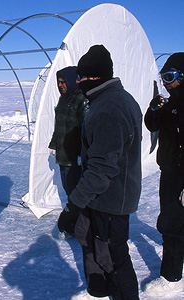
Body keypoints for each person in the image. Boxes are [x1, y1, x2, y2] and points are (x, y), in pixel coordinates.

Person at [68, 45, 142, 300]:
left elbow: (102, 168)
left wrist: (74, 205)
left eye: (81, 78)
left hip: (111, 199)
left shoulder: (108, 109)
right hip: (106, 196)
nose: (78, 83)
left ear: (94, 78)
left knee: (113, 256)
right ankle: (100, 288)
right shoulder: (115, 99)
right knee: (94, 243)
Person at [144, 53, 184, 297]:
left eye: (170, 77)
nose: (166, 83)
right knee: (173, 221)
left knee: (171, 223)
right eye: (163, 77)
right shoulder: (171, 105)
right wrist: (153, 108)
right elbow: (152, 124)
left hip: (180, 175)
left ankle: (171, 277)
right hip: (169, 172)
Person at [48, 66, 89, 237]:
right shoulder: (63, 99)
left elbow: (87, 128)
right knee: (68, 188)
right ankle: (76, 223)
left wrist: (83, 153)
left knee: (77, 192)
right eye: (59, 82)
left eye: (63, 81)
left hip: (76, 156)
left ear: (72, 81)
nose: (60, 85)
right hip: (64, 155)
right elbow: (60, 125)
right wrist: (54, 144)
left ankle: (80, 224)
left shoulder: (82, 99)